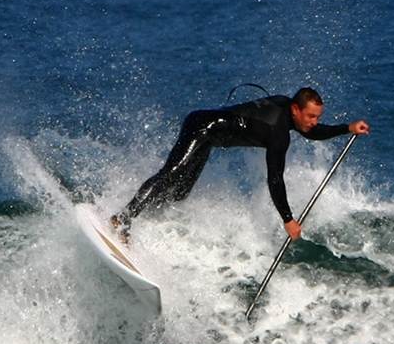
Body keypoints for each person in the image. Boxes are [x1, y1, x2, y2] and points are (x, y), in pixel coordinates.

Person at [112, 87, 369, 241]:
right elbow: (275, 179)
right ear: (295, 109)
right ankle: (122, 219)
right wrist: (288, 219)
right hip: (201, 127)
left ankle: (143, 214)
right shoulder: (278, 135)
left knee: (180, 192)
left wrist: (346, 128)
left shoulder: (284, 104)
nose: (314, 121)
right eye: (311, 116)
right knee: (171, 173)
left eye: (317, 117)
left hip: (208, 139)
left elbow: (312, 132)